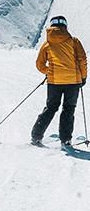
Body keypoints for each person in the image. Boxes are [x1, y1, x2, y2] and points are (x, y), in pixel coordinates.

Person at [31, 15, 87, 148]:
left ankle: (36, 135)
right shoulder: (74, 41)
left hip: (54, 82)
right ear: (65, 26)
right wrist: (83, 77)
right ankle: (65, 140)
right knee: (68, 109)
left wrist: (49, 72)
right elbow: (82, 60)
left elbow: (40, 64)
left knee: (51, 108)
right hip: (73, 82)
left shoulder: (47, 43)